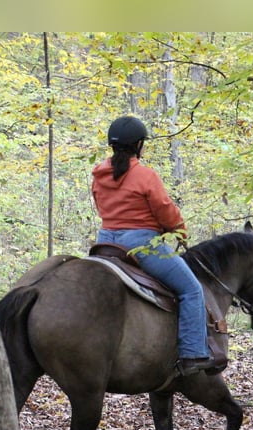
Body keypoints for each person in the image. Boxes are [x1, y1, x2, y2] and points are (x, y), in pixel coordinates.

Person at [91, 115, 215, 377]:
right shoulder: (145, 175)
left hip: (105, 242)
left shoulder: (99, 174)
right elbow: (164, 208)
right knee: (191, 290)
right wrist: (179, 229)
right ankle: (193, 353)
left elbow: (100, 204)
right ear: (138, 144)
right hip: (140, 243)